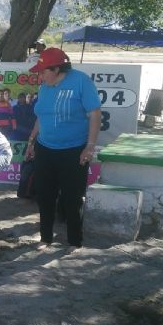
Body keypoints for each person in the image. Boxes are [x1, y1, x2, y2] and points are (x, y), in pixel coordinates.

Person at [25, 47, 101, 250]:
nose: (40, 76)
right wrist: (32, 142)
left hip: (73, 150)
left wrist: (90, 146)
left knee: (72, 197)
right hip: (45, 148)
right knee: (44, 195)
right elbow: (41, 115)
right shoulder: (45, 87)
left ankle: (74, 241)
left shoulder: (80, 81)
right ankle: (45, 238)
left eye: (43, 71)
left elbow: (94, 114)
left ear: (57, 69)